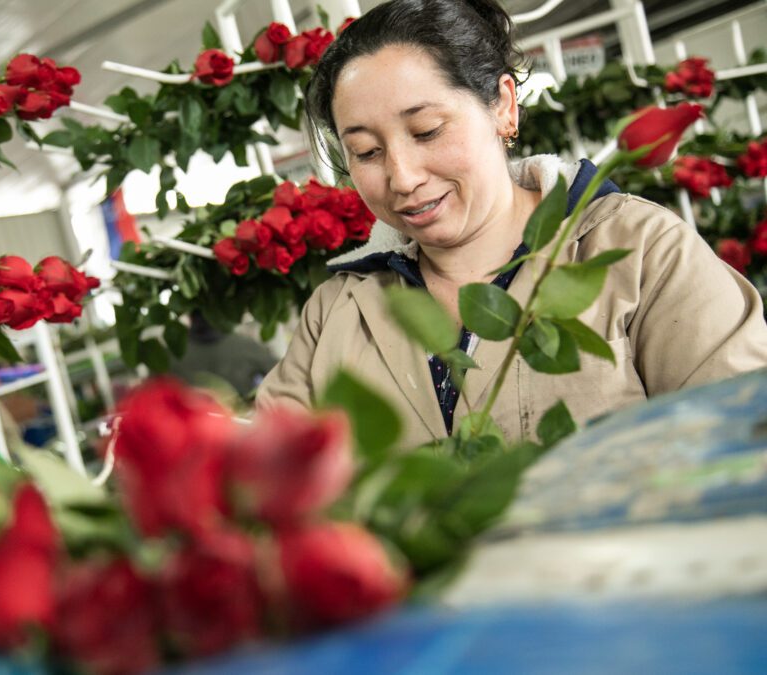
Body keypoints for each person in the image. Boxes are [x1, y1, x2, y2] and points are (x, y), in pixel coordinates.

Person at [257, 0, 767, 447]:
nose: (403, 177)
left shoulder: (639, 250)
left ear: (503, 106)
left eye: (427, 130)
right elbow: (265, 483)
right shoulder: (336, 311)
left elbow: (746, 440)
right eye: (366, 152)